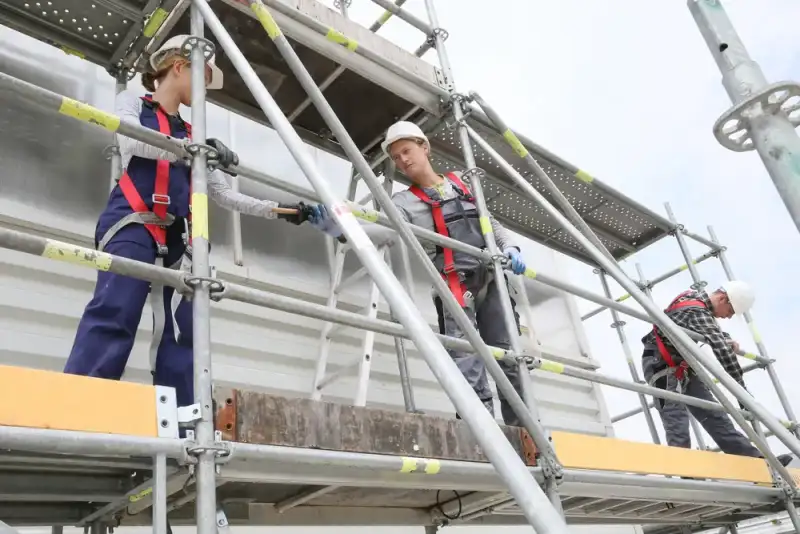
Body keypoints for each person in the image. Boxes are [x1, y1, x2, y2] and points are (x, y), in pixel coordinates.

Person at [63, 35, 338, 409]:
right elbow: (133, 142)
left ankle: (181, 420)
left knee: (183, 330)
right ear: (179, 66)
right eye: (203, 77)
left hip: (180, 237)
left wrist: (287, 210)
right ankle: (76, 407)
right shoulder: (133, 103)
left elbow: (225, 196)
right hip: (132, 223)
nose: (204, 90)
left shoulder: (194, 135)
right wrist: (193, 152)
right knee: (115, 309)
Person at [381, 120, 528, 426]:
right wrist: (339, 222)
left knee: (509, 358)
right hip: (453, 287)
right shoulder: (403, 202)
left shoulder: (463, 182)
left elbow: (491, 223)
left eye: (406, 151)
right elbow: (379, 228)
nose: (402, 160)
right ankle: (480, 430)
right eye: (396, 157)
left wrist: (510, 247)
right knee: (467, 361)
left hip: (492, 281)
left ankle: (525, 431)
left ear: (425, 147)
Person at [641, 281, 792, 465]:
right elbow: (723, 353)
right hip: (660, 364)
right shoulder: (696, 310)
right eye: (729, 312)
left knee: (713, 413)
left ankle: (756, 462)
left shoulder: (694, 301)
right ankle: (686, 471)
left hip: (681, 364)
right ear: (722, 299)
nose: (727, 318)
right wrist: (741, 391)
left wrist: (724, 337)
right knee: (676, 418)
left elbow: (705, 326)